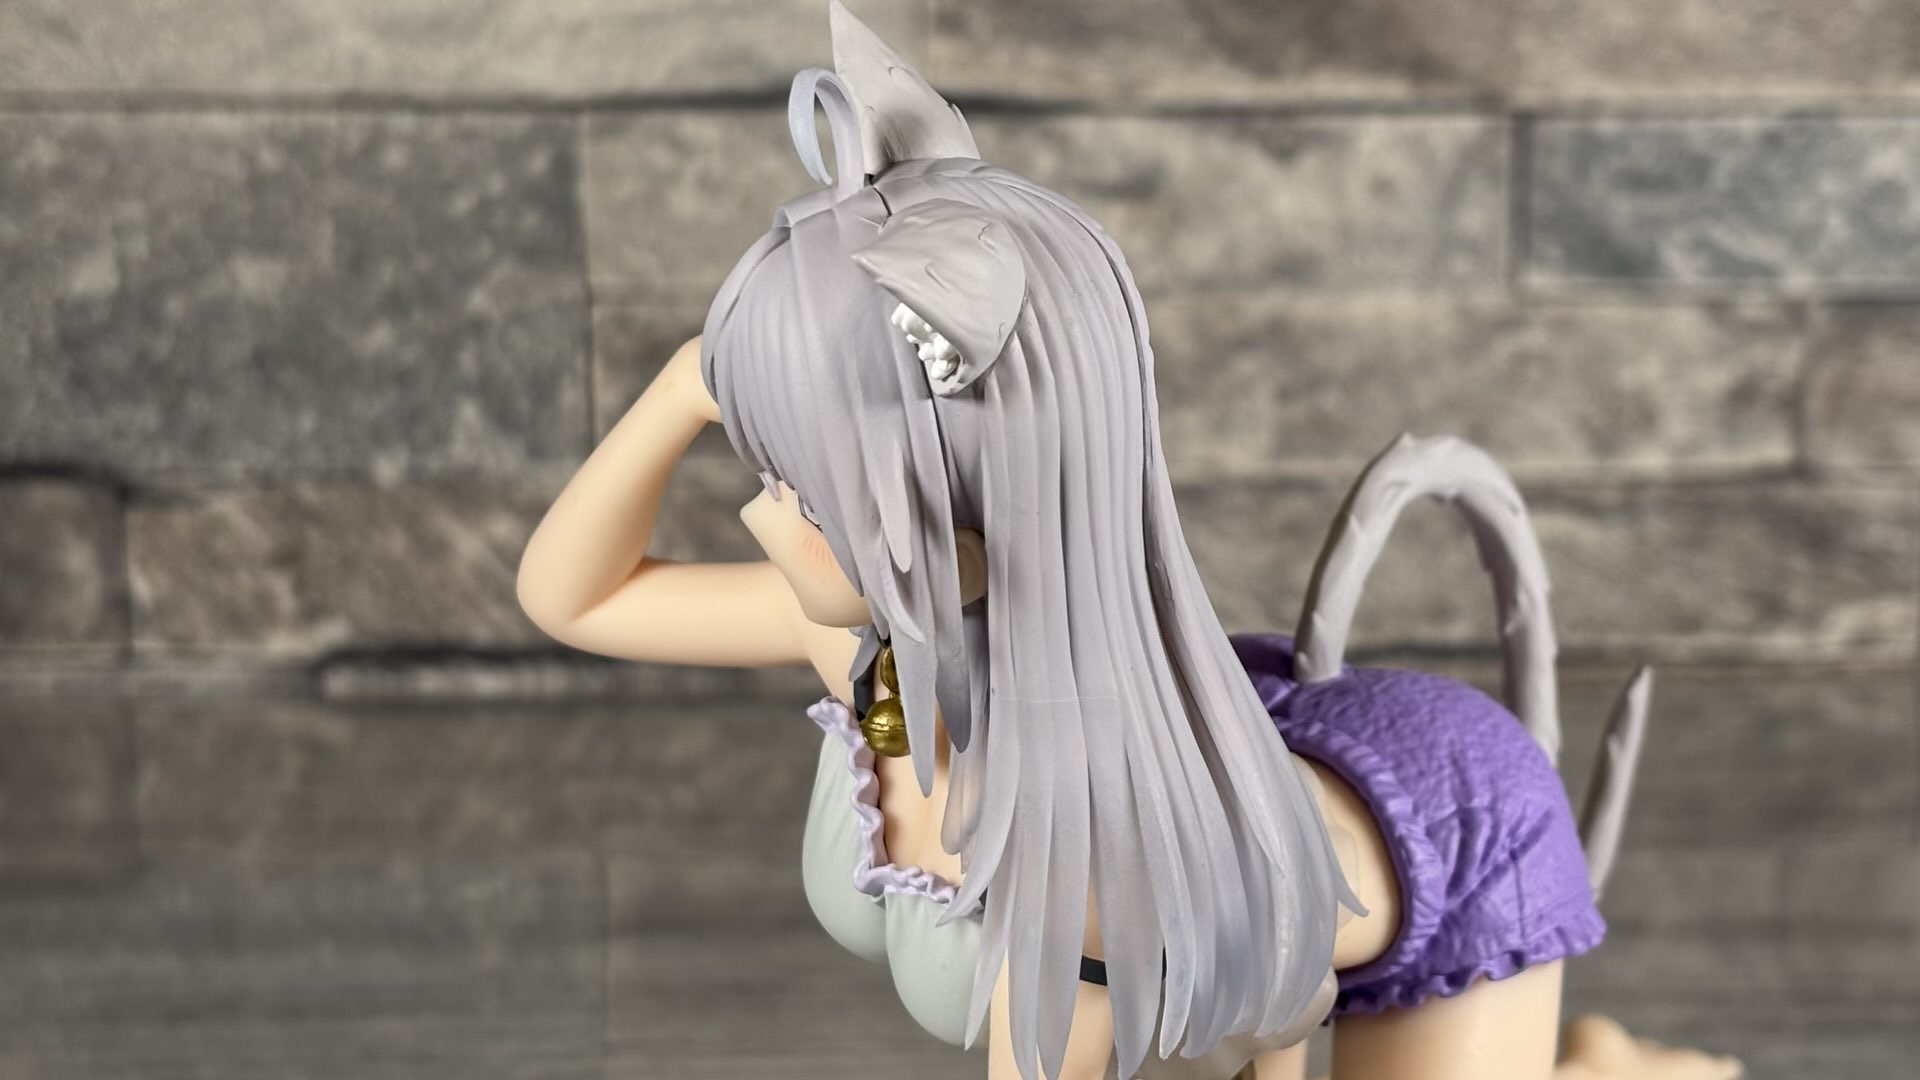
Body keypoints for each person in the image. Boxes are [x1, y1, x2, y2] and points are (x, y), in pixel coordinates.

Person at [517, 7, 1743, 1079]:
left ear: (958, 534)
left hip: (1451, 838)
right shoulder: (874, 655)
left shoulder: (1090, 859)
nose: (756, 515)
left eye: (801, 493)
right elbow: (577, 599)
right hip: (1276, 815)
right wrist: (689, 383)